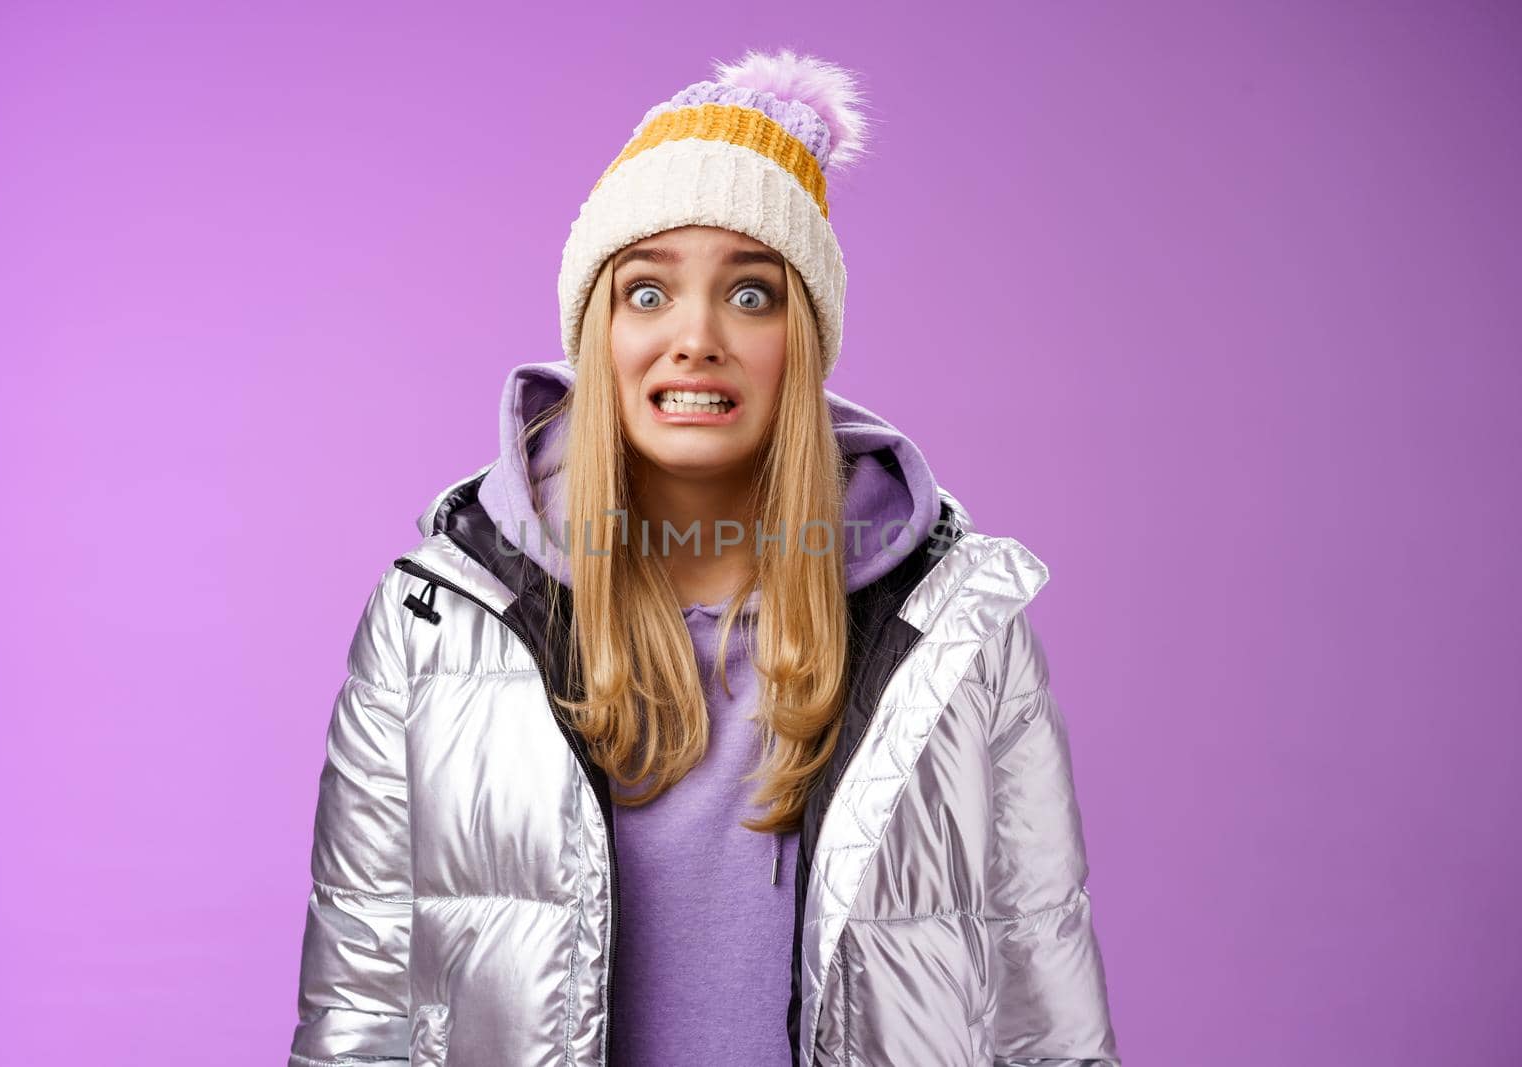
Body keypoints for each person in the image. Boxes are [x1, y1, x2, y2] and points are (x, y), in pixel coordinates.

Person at [286, 48, 1120, 1067]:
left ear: (802, 339)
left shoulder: (957, 633)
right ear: (595, 333)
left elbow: (1045, 1011)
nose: (695, 336)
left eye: (752, 294)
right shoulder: (435, 621)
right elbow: (359, 1009)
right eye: (645, 292)